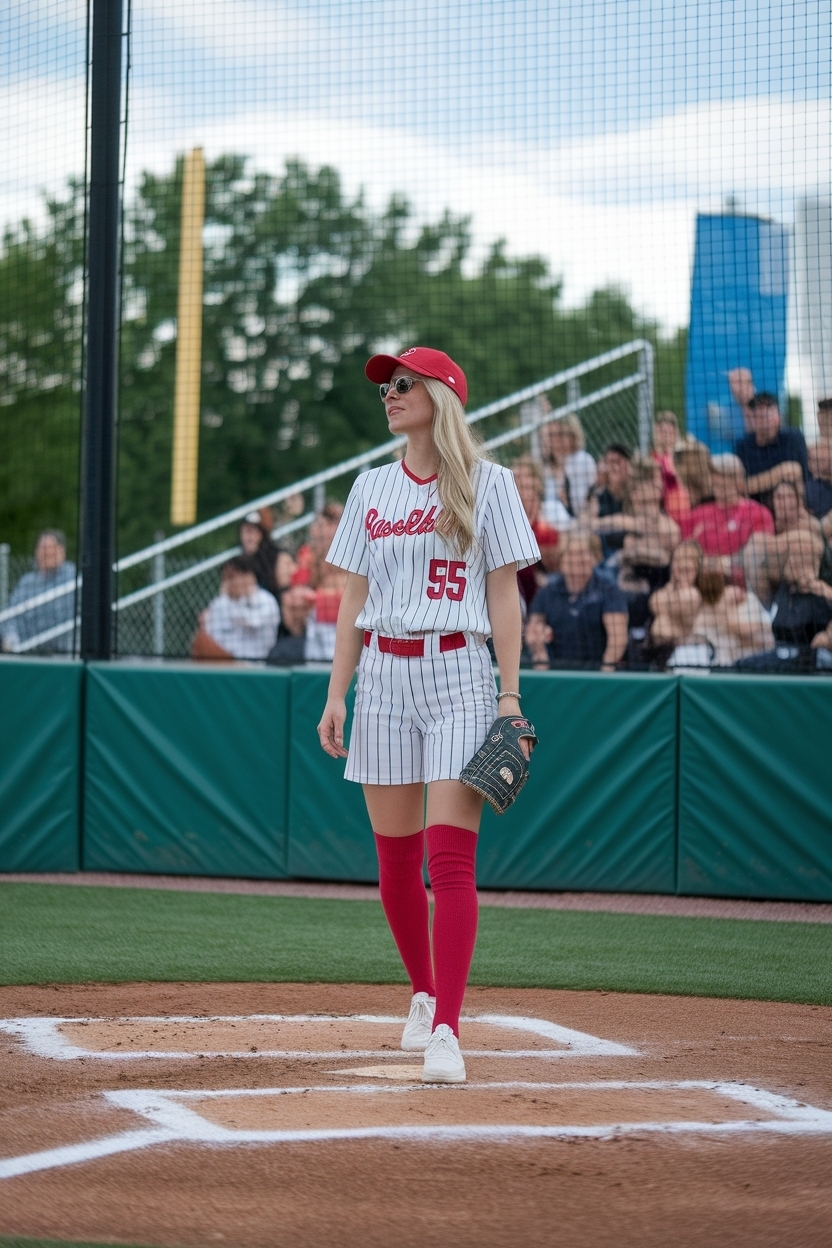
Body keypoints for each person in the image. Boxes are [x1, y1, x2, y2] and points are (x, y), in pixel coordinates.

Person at [317, 346, 539, 1085]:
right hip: (381, 671)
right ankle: (420, 992)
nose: (390, 393)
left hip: (458, 672)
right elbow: (352, 600)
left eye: (404, 383)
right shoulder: (370, 487)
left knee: (450, 863)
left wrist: (509, 694)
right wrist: (335, 691)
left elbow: (505, 594)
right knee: (394, 866)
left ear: (442, 395)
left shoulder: (490, 482)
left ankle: (447, 1027)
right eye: (387, 385)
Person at [525, 532, 628, 671]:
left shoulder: (609, 591)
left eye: (582, 553)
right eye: (570, 554)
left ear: (594, 558)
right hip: (558, 673)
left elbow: (617, 639)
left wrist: (606, 674)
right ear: (561, 559)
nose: (576, 559)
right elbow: (534, 632)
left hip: (597, 673)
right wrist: (542, 665)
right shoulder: (546, 594)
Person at [735, 530, 832, 673]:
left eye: (803, 558)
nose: (795, 561)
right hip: (781, 654)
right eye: (793, 556)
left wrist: (827, 636)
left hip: (812, 657)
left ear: (815, 563)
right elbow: (757, 553)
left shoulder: (823, 592)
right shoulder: (781, 587)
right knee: (741, 666)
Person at [682, 453, 774, 564]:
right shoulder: (697, 514)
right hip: (703, 576)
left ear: (739, 481)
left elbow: (760, 556)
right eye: (715, 473)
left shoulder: (758, 513)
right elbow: (684, 553)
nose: (718, 479)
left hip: (743, 575)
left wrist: (723, 563)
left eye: (724, 475)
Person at [743, 480, 823, 605]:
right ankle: (762, 607)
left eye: (790, 496)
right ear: (772, 502)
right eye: (779, 497)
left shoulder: (809, 524)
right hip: (774, 586)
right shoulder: (770, 526)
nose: (784, 502)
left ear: (798, 502)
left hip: (810, 583)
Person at [0, 530, 76, 653]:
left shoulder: (73, 579)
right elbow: (10, 615)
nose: (46, 552)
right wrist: (11, 638)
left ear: (62, 551)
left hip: (63, 650)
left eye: (50, 548)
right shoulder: (27, 581)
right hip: (25, 650)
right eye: (42, 548)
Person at [192, 555, 280, 661]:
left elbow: (252, 623)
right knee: (200, 641)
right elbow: (211, 634)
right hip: (223, 662)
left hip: (255, 664)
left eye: (233, 577)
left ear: (248, 576)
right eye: (226, 578)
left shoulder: (266, 601)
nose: (229, 583)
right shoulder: (220, 603)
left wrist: (235, 601)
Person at [688, 563, 773, 669]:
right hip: (717, 662)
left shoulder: (747, 600)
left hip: (750, 661)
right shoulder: (701, 611)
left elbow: (745, 631)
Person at [734, 392, 808, 507]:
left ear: (779, 415)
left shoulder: (793, 437)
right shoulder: (743, 445)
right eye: (758, 410)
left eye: (769, 408)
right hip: (756, 507)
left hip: (791, 506)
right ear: (752, 418)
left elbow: (801, 475)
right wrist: (780, 472)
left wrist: (759, 482)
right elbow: (742, 487)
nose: (763, 413)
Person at [511, 456, 559, 609]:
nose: (522, 485)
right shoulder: (506, 516)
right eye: (518, 479)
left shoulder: (550, 513)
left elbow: (553, 560)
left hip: (543, 578)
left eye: (527, 479)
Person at [648, 540, 703, 651]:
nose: (680, 564)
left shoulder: (694, 594)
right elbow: (654, 603)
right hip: (656, 649)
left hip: (682, 649)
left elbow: (683, 603)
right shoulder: (665, 589)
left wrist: (682, 582)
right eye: (677, 559)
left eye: (686, 559)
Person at [538, 415, 597, 520]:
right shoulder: (546, 468)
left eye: (560, 435)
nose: (555, 441)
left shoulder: (581, 460)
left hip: (579, 524)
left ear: (573, 436)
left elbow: (584, 506)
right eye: (551, 436)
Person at [238, 509, 295, 602]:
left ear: (261, 535)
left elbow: (285, 592)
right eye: (247, 531)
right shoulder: (239, 563)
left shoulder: (278, 557)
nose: (250, 537)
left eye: (254, 532)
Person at [587, 443, 632, 560]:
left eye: (618, 462)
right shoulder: (597, 495)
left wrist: (602, 523)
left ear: (629, 465)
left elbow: (636, 523)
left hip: (629, 551)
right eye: (609, 462)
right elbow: (589, 523)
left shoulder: (635, 493)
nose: (613, 467)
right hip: (603, 553)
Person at [651, 411, 690, 524]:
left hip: (678, 503)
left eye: (669, 431)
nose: (665, 435)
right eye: (661, 431)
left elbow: (675, 475)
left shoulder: (682, 455)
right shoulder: (650, 458)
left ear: (675, 433)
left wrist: (670, 451)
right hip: (657, 503)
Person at [266, 585, 316, 666]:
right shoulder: (277, 644)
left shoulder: (313, 637)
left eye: (301, 608)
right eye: (293, 608)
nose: (297, 615)